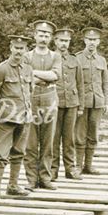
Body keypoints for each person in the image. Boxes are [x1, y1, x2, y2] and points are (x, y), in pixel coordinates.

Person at [0, 35, 33, 197]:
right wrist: (1, 108)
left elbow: (30, 91)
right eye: (16, 48)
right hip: (7, 117)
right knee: (1, 152)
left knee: (19, 151)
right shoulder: (2, 69)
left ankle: (13, 185)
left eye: (22, 48)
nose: (18, 51)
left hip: (24, 116)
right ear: (10, 48)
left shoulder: (28, 68)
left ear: (25, 50)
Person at [24, 20, 62, 191]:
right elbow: (25, 76)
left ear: (51, 37)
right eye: (41, 34)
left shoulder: (55, 56)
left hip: (49, 98)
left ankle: (45, 178)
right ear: (35, 35)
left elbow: (55, 75)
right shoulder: (27, 56)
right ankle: (31, 179)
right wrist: (41, 76)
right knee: (31, 141)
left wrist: (35, 73)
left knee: (48, 140)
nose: (43, 37)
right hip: (31, 98)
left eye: (47, 35)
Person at [75, 27, 108, 175]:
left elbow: (105, 83)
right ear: (84, 40)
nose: (92, 43)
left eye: (95, 40)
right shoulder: (76, 58)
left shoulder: (101, 60)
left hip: (98, 102)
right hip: (82, 103)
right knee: (80, 134)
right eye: (89, 40)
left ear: (99, 42)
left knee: (93, 134)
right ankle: (78, 165)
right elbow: (74, 82)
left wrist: (106, 101)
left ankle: (88, 165)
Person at [52, 28, 85, 179]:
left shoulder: (74, 60)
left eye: (66, 41)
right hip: (55, 103)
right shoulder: (51, 58)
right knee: (53, 137)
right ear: (55, 41)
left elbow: (80, 84)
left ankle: (70, 169)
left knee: (69, 137)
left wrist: (81, 106)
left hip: (72, 103)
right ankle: (53, 169)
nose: (63, 44)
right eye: (61, 40)